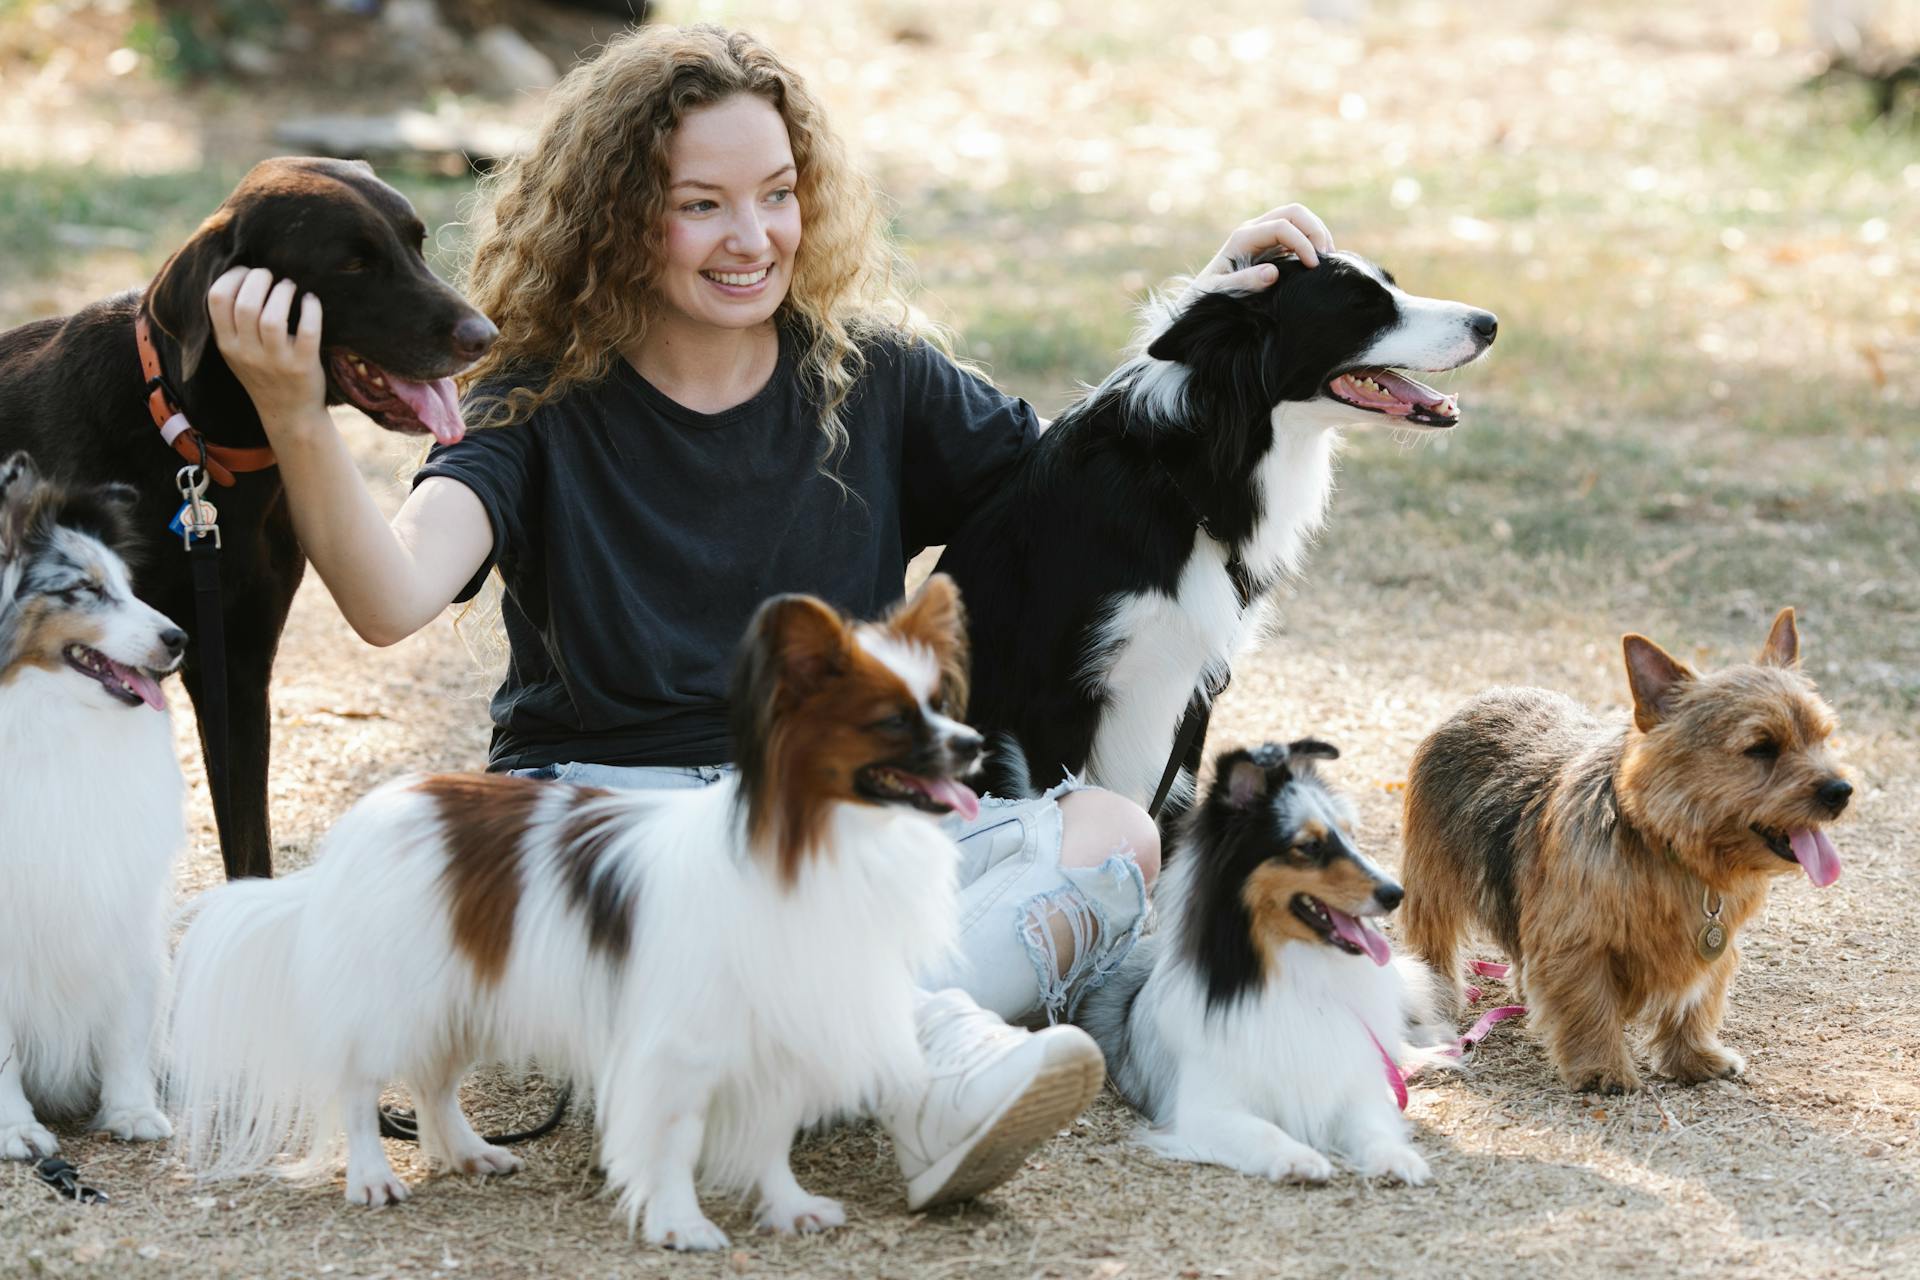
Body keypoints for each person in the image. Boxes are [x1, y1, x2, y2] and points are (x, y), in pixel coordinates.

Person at [205, 23, 1334, 1211]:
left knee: (1108, 831)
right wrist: (295, 413)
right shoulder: (534, 399)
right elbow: (389, 596)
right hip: (620, 843)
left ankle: (826, 1043)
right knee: (762, 913)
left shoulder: (874, 377)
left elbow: (1086, 486)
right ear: (617, 220)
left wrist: (1213, 314)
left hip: (829, 812)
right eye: (701, 204)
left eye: (780, 194)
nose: (753, 240)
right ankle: (923, 1060)